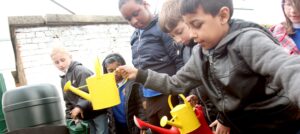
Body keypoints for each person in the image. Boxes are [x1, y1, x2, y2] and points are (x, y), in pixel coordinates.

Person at [116, 0, 300, 133]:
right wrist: (139, 74)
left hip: (279, 124)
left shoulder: (248, 40)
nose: (193, 35)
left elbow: (287, 69)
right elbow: (175, 83)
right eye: (188, 26)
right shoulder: (201, 53)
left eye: (197, 25)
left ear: (223, 15)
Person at [118, 0, 184, 131]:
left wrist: (183, 97)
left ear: (145, 4)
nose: (134, 21)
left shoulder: (163, 27)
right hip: (149, 98)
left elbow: (179, 62)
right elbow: (139, 71)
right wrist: (143, 97)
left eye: (136, 13)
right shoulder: (134, 37)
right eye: (128, 19)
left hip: (168, 95)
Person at [158, 0, 218, 126]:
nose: (178, 40)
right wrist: (192, 96)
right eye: (172, 36)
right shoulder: (185, 50)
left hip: (223, 115)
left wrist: (224, 118)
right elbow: (191, 80)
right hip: (205, 113)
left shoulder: (209, 45)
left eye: (179, 32)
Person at [50, 46, 108, 134]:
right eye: (56, 62)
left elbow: (88, 92)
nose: (60, 64)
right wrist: (69, 118)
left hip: (97, 112)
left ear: (70, 57)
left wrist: (79, 107)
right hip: (85, 116)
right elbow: (68, 101)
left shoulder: (81, 71)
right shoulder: (63, 79)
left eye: (63, 60)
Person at [102, 53, 146, 134]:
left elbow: (141, 106)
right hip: (116, 125)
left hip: (132, 125)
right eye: (110, 71)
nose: (114, 73)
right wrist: (81, 107)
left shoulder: (133, 83)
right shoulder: (106, 86)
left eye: (116, 69)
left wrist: (143, 124)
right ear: (106, 71)